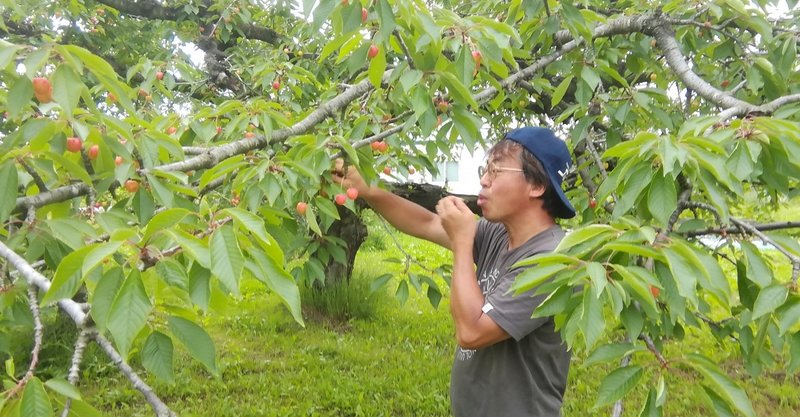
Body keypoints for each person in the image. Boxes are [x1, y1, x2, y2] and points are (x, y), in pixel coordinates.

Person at [332, 126, 576, 417]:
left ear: (537, 186)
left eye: (496, 171)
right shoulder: (501, 234)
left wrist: (462, 242)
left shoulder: (552, 261)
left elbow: (472, 332)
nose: (484, 180)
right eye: (484, 170)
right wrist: (368, 188)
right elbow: (426, 223)